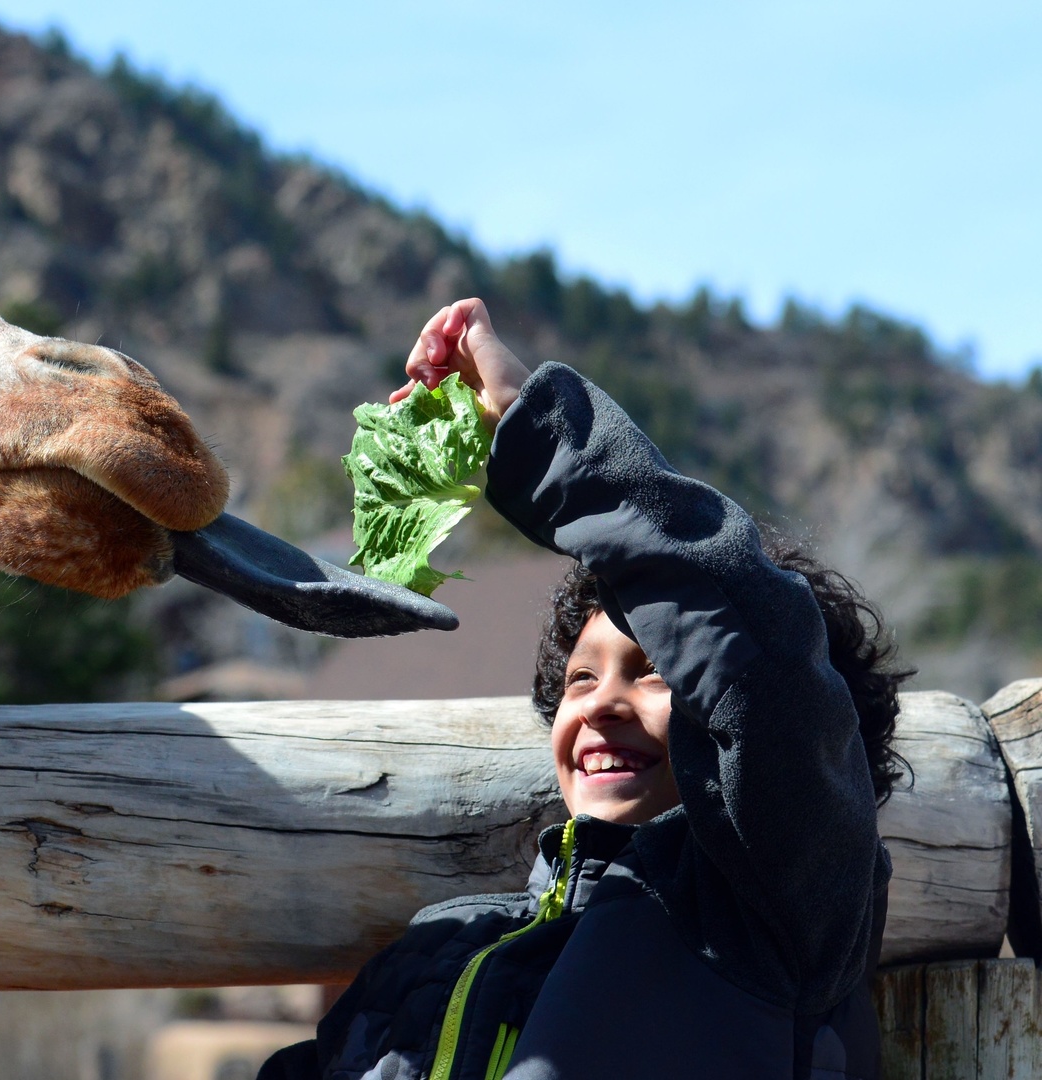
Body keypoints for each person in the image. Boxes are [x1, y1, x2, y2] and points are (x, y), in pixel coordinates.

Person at [259, 298, 910, 1080]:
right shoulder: (433, 958)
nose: (601, 702)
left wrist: (530, 422)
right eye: (579, 678)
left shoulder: (773, 918)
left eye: (655, 671)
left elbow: (752, 651)